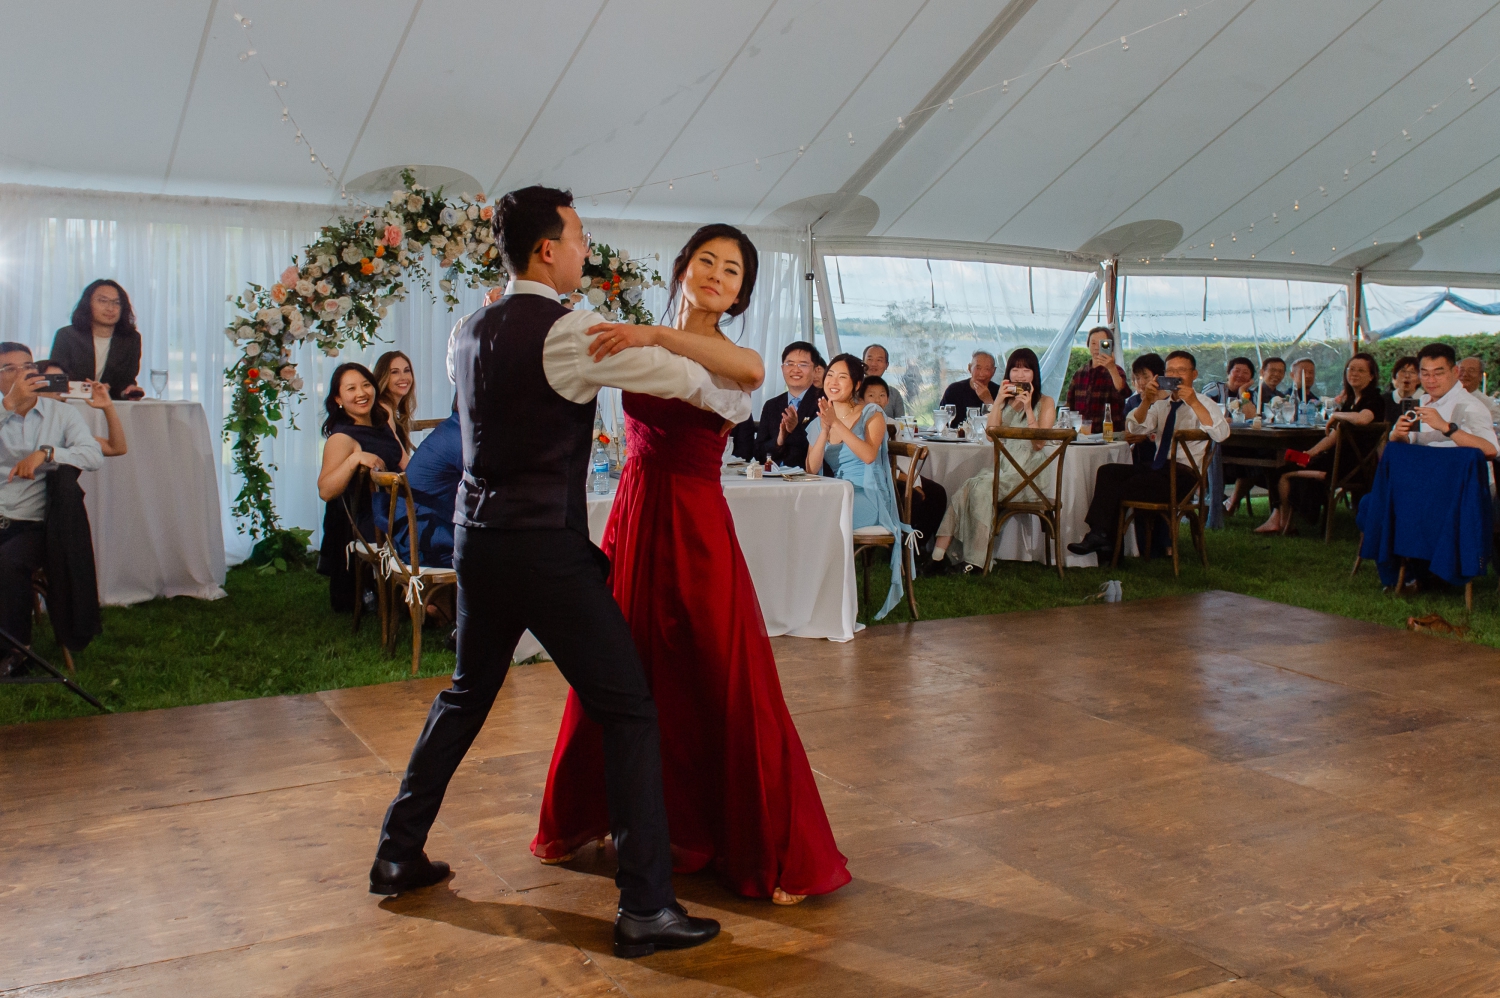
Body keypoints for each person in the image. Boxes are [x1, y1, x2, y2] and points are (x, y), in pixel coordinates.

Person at [375, 186, 732, 958]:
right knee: (631, 709)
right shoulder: (571, 334)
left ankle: (398, 851)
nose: (584, 249)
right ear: (547, 250)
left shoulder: (466, 330)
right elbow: (693, 387)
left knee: (466, 693)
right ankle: (645, 908)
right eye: (578, 237)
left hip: (476, 540)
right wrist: (730, 385)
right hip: (543, 547)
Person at [534, 223, 848, 907]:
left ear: (740, 293)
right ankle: (621, 818)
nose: (716, 274)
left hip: (695, 522)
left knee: (719, 670)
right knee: (622, 666)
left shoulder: (735, 357)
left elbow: (752, 375)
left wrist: (652, 334)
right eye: (706, 260)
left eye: (732, 271)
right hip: (633, 514)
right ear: (683, 268)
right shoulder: (632, 338)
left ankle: (760, 842)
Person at [0, 343, 103, 672]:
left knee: (9, 563)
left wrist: (48, 452)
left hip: (31, 524)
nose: (24, 373)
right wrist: (7, 408)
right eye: (11, 369)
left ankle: (16, 652)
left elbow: (93, 455)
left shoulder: (62, 414)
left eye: (28, 366)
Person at [1068, 350, 1229, 559]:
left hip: (1184, 476)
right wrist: (1146, 400)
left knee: (1124, 486)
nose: (1175, 375)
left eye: (1181, 370)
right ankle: (1101, 536)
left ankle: (1105, 542)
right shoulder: (1162, 405)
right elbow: (1135, 429)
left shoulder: (1205, 403)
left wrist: (1194, 403)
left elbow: (1221, 434)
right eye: (1170, 371)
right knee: (1109, 472)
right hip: (1158, 469)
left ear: (1194, 374)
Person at [930, 347, 1056, 572]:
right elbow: (990, 434)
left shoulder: (1046, 402)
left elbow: (1039, 443)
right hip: (1003, 469)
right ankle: (938, 557)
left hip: (1028, 474)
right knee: (967, 488)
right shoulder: (1006, 400)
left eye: (1026, 369)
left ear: (1034, 373)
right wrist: (997, 401)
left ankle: (976, 561)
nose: (1020, 374)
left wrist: (1028, 408)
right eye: (1015, 369)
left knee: (981, 489)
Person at [807, 354, 909, 616]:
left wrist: (837, 423)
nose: (833, 381)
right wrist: (824, 428)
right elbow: (811, 467)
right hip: (838, 493)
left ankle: (833, 603)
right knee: (803, 516)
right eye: (830, 375)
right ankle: (809, 598)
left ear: (856, 383)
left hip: (868, 496)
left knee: (822, 521)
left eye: (842, 377)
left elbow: (868, 455)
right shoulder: (820, 419)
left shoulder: (871, 413)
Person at [1256, 353, 1385, 535]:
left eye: (1361, 370)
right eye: (1351, 369)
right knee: (1285, 464)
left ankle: (1282, 522)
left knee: (1283, 471)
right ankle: (1280, 519)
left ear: (1371, 376)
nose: (1354, 373)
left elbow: (1364, 419)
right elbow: (1333, 436)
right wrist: (1311, 452)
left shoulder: (1375, 400)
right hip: (1335, 459)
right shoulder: (1350, 402)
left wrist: (1336, 415)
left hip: (1349, 466)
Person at [316, 364, 408, 613]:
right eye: (351, 388)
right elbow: (325, 490)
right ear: (338, 399)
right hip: (374, 520)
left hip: (395, 508)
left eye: (366, 385)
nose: (362, 393)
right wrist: (353, 460)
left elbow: (405, 465)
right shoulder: (342, 437)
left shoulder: (380, 424)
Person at [1388, 343, 1498, 457]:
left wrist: (1446, 428)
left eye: (1438, 373)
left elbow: (1491, 450)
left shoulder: (1470, 405)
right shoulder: (1421, 401)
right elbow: (1411, 440)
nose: (1431, 380)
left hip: (1460, 474)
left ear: (1455, 372)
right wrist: (1398, 434)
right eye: (1425, 374)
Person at [393, 400, 462, 569]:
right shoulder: (461, 438)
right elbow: (493, 484)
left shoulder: (452, 428)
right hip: (424, 542)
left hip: (414, 532)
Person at [49, 280, 144, 400]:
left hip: (112, 406)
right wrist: (89, 391)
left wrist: (128, 392)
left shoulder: (131, 339)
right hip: (71, 405)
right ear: (88, 304)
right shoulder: (66, 335)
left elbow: (125, 382)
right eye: (103, 301)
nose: (110, 308)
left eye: (117, 303)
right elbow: (56, 380)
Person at [37, 360, 126, 457]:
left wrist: (108, 406)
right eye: (53, 380)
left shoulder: (67, 423)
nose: (60, 386)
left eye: (62, 380)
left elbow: (116, 448)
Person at [754, 341, 822, 467]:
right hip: (773, 478)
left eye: (803, 365)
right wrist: (779, 440)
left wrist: (795, 429)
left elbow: (821, 450)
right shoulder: (771, 405)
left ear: (816, 370)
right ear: (782, 368)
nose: (796, 370)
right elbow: (758, 453)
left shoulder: (823, 403)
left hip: (808, 478)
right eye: (789, 364)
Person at [1065, 326, 1127, 433]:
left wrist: (1111, 367)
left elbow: (1123, 391)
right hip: (1084, 434)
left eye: (1102, 343)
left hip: (1110, 434)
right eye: (1093, 343)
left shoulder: (1116, 371)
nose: (1097, 347)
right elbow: (1070, 404)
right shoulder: (1080, 373)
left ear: (1110, 346)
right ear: (1088, 345)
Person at [1124, 353, 1166, 467]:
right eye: (1137, 378)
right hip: (1137, 458)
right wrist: (1128, 436)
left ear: (1159, 376)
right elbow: (1126, 429)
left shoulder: (1168, 401)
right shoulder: (1133, 401)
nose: (1141, 382)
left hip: (1162, 459)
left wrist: (1145, 436)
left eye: (1146, 377)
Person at [939, 350, 1000, 427]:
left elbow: (998, 425)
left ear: (993, 371)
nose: (982, 374)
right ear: (969, 368)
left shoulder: (999, 392)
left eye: (987, 369)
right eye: (978, 368)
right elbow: (941, 420)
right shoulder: (954, 390)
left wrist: (988, 400)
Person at [373, 350, 417, 452]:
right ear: (383, 376)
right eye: (394, 372)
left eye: (407, 370)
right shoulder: (384, 410)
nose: (403, 377)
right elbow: (400, 458)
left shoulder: (390, 409)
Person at [862, 344, 905, 417]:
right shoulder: (852, 391)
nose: (873, 364)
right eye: (869, 359)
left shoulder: (893, 394)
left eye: (879, 360)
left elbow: (901, 423)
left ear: (886, 365)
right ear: (863, 363)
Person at [1457, 356, 1500, 421]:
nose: (1465, 374)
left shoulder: (1488, 406)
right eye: (1461, 370)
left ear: (1480, 376)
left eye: (1471, 371)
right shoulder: (1442, 397)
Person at [1386, 355, 1421, 420]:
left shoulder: (1426, 399)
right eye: (1403, 371)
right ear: (1395, 376)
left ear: (1419, 379)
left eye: (1412, 372)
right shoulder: (1384, 400)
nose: (1407, 376)